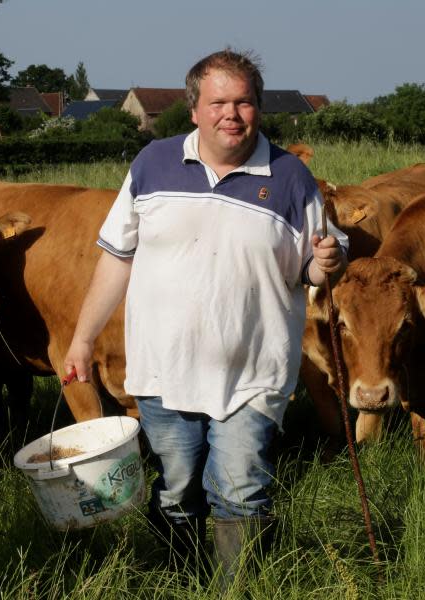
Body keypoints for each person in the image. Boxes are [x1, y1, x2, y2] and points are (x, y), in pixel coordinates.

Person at [63, 49, 348, 580]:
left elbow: (315, 265)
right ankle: (178, 578)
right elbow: (115, 258)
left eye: (243, 102)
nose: (231, 114)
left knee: (240, 489)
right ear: (194, 109)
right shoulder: (151, 165)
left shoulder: (290, 178)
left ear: (258, 108)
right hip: (162, 372)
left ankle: (232, 587)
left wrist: (328, 261)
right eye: (219, 102)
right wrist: (82, 339)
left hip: (253, 373)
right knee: (175, 487)